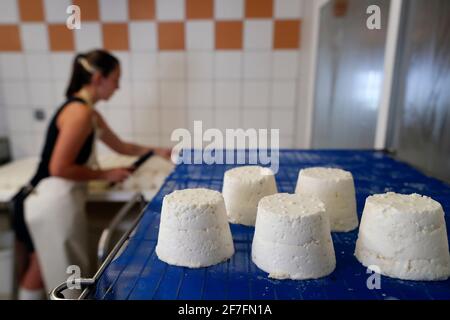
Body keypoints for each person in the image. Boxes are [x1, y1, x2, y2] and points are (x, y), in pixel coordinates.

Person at [10, 49, 170, 299]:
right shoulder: (79, 113)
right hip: (49, 201)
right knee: (52, 277)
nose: (117, 87)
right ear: (98, 78)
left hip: (48, 200)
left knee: (39, 270)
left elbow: (123, 147)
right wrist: (105, 175)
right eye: (115, 79)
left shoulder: (89, 112)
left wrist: (159, 151)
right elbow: (58, 168)